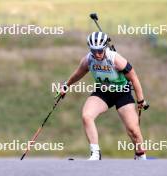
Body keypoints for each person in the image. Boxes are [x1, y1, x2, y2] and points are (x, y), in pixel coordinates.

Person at [56, 31, 149, 160]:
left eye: (100, 50)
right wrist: (66, 85)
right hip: (103, 92)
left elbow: (134, 78)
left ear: (105, 47)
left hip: (122, 93)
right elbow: (78, 74)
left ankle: (140, 155)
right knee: (86, 116)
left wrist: (141, 100)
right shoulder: (88, 60)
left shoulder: (116, 59)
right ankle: (95, 153)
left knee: (133, 129)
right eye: (94, 51)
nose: (97, 54)